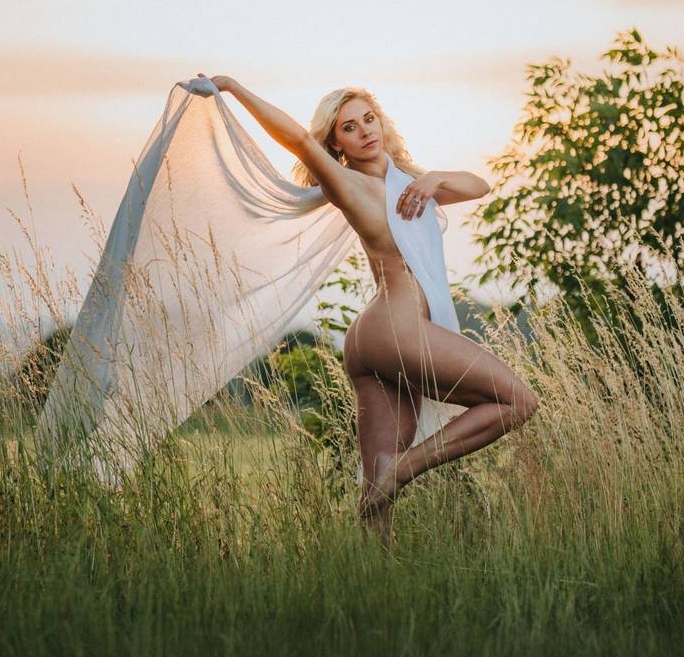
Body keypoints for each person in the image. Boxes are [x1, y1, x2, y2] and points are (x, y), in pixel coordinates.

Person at [200, 74, 539, 534]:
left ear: (381, 121)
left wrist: (434, 178)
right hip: (396, 329)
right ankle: (404, 467)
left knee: (375, 499)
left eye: (368, 119)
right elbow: (299, 139)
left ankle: (373, 565)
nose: (364, 132)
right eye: (349, 128)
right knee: (517, 400)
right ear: (336, 144)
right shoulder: (349, 185)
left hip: (372, 338)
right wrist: (234, 88)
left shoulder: (411, 185)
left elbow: (479, 186)